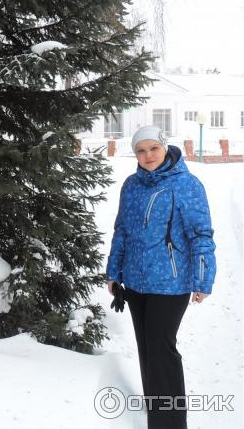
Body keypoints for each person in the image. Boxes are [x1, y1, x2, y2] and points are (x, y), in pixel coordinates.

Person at [106, 125, 216, 429]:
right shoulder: (131, 185)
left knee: (161, 348)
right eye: (141, 150)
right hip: (136, 283)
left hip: (172, 283)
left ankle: (170, 424)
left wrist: (202, 278)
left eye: (153, 148)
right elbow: (122, 231)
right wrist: (114, 272)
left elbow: (201, 234)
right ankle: (155, 411)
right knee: (146, 348)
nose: (147, 155)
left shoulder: (186, 184)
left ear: (164, 147)